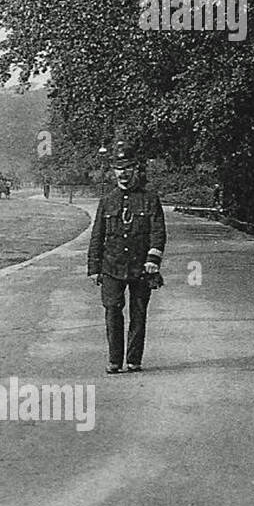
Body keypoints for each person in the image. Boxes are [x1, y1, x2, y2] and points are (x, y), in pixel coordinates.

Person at [88, 141, 166, 374]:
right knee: (112, 310)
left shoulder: (149, 199)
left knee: (138, 313)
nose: (123, 173)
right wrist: (94, 267)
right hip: (112, 265)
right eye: (118, 168)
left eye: (128, 167)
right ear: (113, 171)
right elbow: (97, 235)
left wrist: (153, 260)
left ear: (136, 169)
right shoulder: (107, 200)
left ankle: (133, 360)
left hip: (141, 267)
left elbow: (158, 232)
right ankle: (114, 360)